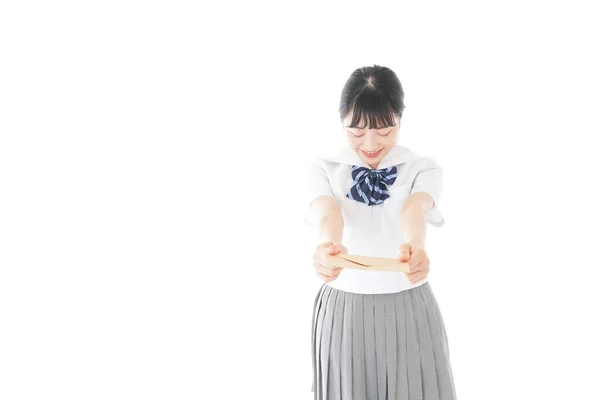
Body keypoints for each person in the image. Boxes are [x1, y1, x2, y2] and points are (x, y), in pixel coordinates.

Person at [306, 65, 457, 400]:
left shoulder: (423, 167)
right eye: (356, 132)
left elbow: (414, 208)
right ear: (341, 120)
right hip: (344, 308)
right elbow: (328, 212)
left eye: (385, 130)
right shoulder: (324, 168)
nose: (371, 143)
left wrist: (415, 246)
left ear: (400, 119)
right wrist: (327, 246)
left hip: (408, 306)